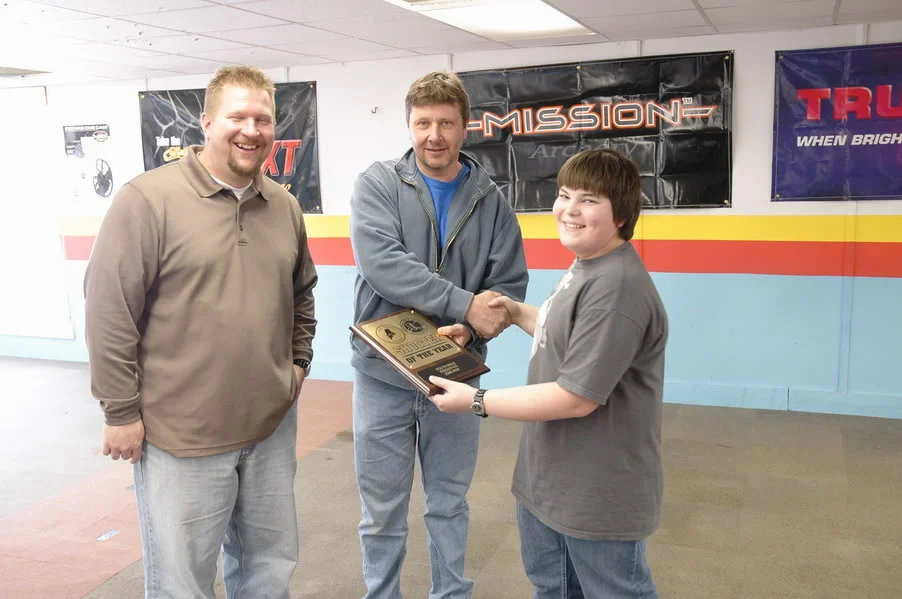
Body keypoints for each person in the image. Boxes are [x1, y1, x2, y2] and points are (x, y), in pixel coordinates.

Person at [83, 65, 317, 599]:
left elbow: (302, 294)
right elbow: (109, 311)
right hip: (180, 436)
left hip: (270, 427)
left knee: (269, 570)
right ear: (207, 122)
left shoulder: (283, 205)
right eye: (238, 117)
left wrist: (298, 366)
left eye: (263, 119)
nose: (251, 130)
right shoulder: (147, 200)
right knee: (181, 583)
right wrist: (119, 412)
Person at [428, 149, 668, 598]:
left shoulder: (617, 287)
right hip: (551, 482)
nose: (570, 210)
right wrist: (514, 312)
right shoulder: (589, 265)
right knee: (553, 588)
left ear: (621, 214)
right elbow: (571, 331)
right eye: (564, 195)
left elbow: (576, 397)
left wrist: (475, 399)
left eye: (589, 200)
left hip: (596, 493)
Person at [349, 70, 529, 598]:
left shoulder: (491, 201)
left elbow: (507, 284)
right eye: (423, 123)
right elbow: (384, 266)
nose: (434, 135)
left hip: (455, 375)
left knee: (449, 503)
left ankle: (451, 593)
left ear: (464, 127)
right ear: (409, 125)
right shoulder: (378, 184)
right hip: (382, 375)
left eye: (446, 123)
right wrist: (464, 304)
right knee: (381, 512)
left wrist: (468, 330)